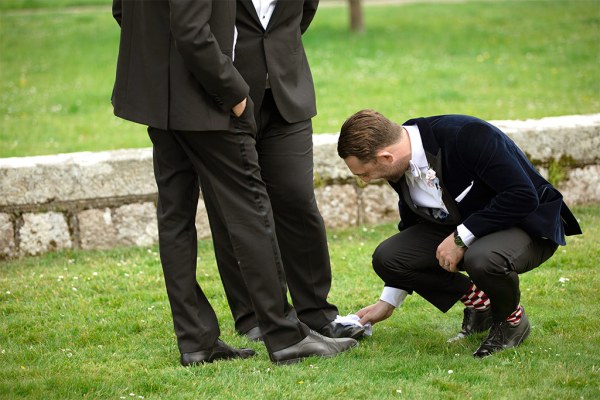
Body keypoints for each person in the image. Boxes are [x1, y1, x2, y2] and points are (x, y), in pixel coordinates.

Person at [111, 0, 357, 366]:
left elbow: (123, 11)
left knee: (175, 218)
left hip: (158, 100)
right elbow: (192, 32)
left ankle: (196, 341)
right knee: (251, 211)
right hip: (206, 100)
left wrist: (163, 70)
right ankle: (285, 336)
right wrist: (235, 94)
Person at [336, 110, 582, 357]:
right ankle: (481, 305)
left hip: (526, 222)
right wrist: (388, 301)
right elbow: (413, 225)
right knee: (390, 257)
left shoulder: (467, 135)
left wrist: (460, 238)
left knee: (482, 258)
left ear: (386, 156)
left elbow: (521, 195)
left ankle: (511, 321)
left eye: (364, 174)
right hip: (466, 225)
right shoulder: (398, 161)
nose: (366, 181)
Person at [203, 0, 364, 341]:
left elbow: (302, 12)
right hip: (219, 100)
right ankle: (253, 317)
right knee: (233, 209)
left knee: (298, 198)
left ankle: (317, 313)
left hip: (287, 94)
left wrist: (274, 57)